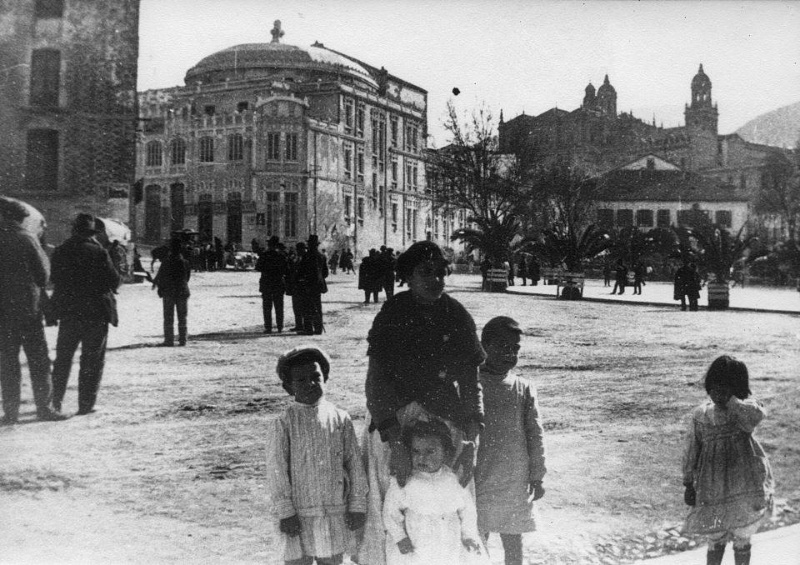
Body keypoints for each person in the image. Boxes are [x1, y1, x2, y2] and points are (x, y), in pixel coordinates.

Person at [358, 240, 486, 565]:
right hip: (396, 419)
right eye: (425, 272)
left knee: (453, 500)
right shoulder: (393, 312)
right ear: (408, 276)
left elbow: (471, 382)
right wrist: (393, 436)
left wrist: (471, 436)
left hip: (445, 420)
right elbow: (377, 380)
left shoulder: (456, 315)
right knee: (392, 502)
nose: (436, 280)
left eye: (441, 272)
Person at [266, 346, 368, 565]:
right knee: (297, 560)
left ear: (326, 377)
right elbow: (276, 469)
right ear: (288, 387)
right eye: (301, 380)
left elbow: (354, 464)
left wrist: (357, 505)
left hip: (333, 511)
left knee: (331, 559)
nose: (310, 384)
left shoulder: (340, 418)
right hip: (298, 514)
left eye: (315, 377)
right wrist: (285, 511)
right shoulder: (284, 423)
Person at [682, 355, 774, 565]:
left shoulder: (745, 410)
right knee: (716, 533)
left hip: (743, 482)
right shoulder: (701, 415)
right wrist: (688, 483)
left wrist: (732, 401)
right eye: (713, 387)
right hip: (712, 485)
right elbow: (691, 451)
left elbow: (755, 417)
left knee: (742, 532)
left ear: (737, 389)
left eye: (724, 388)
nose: (717, 392)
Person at [475, 317, 546, 565]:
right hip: (479, 477)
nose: (510, 354)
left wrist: (537, 475)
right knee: (476, 539)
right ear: (484, 345)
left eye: (515, 348)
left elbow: (535, 435)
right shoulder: (472, 384)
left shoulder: (523, 388)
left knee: (513, 543)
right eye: (503, 346)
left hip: (514, 481)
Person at [383, 420, 488, 565]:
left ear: (446, 453)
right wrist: (399, 537)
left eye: (430, 451)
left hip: (448, 540)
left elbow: (468, 511)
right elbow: (390, 512)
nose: (422, 457)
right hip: (416, 541)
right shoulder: (404, 481)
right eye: (416, 451)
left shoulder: (454, 479)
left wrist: (468, 535)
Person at [0, 198, 66, 424]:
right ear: (21, 218)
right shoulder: (26, 239)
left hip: (2, 312)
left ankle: (10, 413)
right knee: (38, 360)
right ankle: (45, 408)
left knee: (8, 362)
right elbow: (43, 276)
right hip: (28, 310)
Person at [51, 213, 121, 415]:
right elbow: (114, 280)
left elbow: (54, 277)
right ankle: (86, 404)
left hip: (70, 312)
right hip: (96, 313)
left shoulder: (61, 250)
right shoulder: (99, 252)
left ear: (74, 230)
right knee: (92, 360)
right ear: (91, 233)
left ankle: (55, 402)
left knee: (63, 359)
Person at [152, 238, 191, 346]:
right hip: (182, 291)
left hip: (169, 292)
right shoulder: (185, 262)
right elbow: (187, 278)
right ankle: (183, 340)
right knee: (182, 317)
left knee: (168, 317)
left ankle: (169, 340)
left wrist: (160, 288)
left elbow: (162, 277)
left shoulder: (166, 262)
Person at [295, 235, 329, 335]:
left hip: (307, 284)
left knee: (307, 307)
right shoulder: (322, 256)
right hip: (318, 285)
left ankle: (308, 329)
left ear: (309, 245)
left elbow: (301, 271)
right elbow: (325, 273)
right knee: (317, 306)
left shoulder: (307, 256)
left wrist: (299, 279)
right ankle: (318, 329)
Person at [256, 235, 289, 333]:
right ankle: (280, 326)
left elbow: (258, 267)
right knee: (279, 306)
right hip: (278, 283)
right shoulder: (281, 256)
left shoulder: (264, 255)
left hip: (267, 283)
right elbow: (286, 270)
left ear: (269, 245)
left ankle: (268, 327)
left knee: (267, 307)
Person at [286, 244, 305, 332]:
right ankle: (299, 325)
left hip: (303, 286)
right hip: (296, 286)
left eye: (298, 249)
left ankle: (305, 325)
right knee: (296, 307)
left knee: (303, 307)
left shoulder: (305, 258)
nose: (297, 251)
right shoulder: (296, 259)